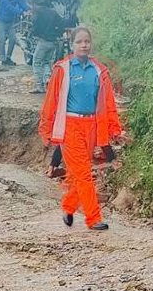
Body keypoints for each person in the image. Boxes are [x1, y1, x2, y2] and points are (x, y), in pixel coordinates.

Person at [38, 27, 124, 231]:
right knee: (84, 173)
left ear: (91, 44)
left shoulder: (99, 70)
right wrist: (46, 128)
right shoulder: (63, 69)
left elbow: (108, 103)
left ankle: (68, 206)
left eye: (87, 41)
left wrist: (114, 129)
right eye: (79, 42)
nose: (84, 45)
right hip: (70, 126)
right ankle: (93, 218)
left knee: (79, 172)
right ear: (72, 44)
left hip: (92, 126)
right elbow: (51, 101)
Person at [30, 0, 64, 94]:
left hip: (43, 41)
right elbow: (62, 24)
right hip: (53, 42)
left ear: (36, 4)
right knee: (47, 62)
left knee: (37, 62)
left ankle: (40, 85)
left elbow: (34, 27)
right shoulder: (53, 12)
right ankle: (48, 79)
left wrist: (35, 35)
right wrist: (57, 34)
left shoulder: (37, 13)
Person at [0, 0, 30, 67]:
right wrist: (21, 12)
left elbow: (22, 2)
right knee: (2, 40)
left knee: (13, 39)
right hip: (1, 20)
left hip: (11, 21)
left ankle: (8, 58)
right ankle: (3, 59)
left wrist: (28, 10)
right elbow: (8, 7)